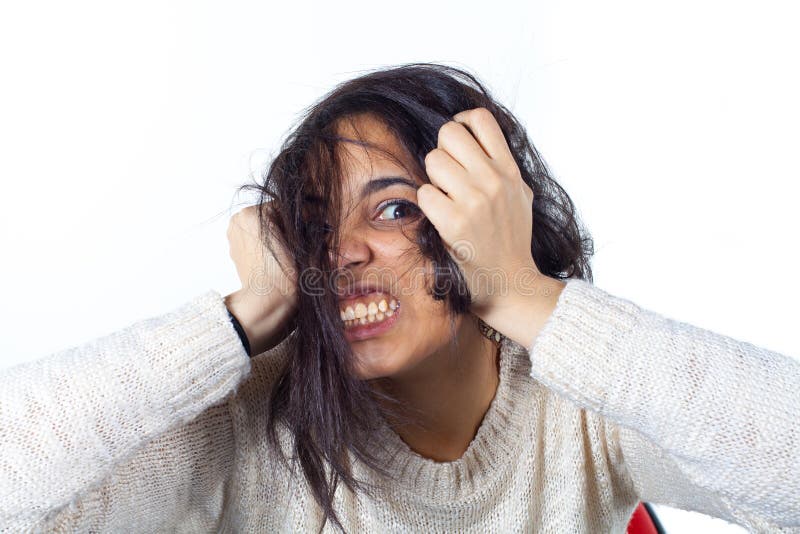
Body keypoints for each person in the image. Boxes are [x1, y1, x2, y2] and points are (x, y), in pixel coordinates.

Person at [1, 63, 798, 533]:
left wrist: (525, 295)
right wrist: (237, 324)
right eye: (314, 222)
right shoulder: (248, 410)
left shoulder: (584, 407)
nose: (341, 251)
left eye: (392, 208)